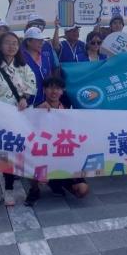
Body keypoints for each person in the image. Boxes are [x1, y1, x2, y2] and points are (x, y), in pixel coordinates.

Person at [0, 32, 36, 209]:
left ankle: (9, 189)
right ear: (0, 46)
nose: (12, 46)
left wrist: (24, 98)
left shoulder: (24, 67)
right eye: (7, 43)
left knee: (11, 154)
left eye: (15, 43)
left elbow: (32, 86)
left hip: (17, 119)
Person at [25, 76, 90, 205]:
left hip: (63, 155)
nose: (54, 92)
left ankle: (56, 183)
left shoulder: (68, 111)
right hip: (44, 155)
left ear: (62, 91)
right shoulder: (36, 110)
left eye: (58, 88)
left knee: (83, 190)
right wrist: (38, 113)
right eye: (50, 88)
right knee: (31, 161)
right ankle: (34, 189)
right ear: (44, 90)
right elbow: (28, 134)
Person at [22, 26, 57, 107]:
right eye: (38, 41)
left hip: (44, 102)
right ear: (28, 42)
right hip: (25, 103)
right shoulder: (20, 58)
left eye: (42, 41)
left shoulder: (45, 58)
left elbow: (49, 77)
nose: (41, 43)